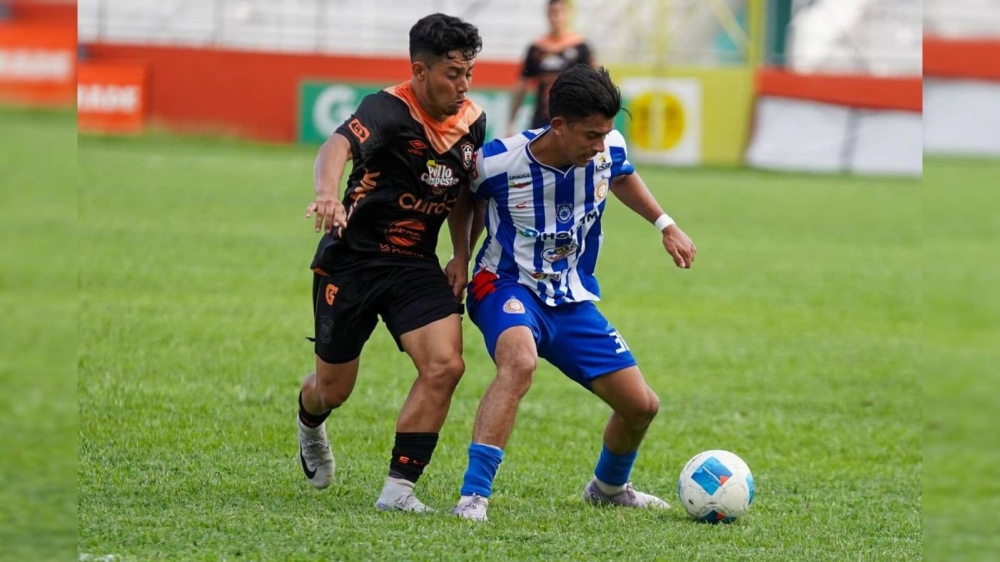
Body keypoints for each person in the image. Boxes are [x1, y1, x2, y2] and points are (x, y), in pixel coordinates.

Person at [452, 64, 697, 521]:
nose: (600, 145)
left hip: (568, 295)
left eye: (606, 133)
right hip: (504, 283)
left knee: (641, 406)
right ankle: (473, 496)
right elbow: (467, 197)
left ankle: (608, 489)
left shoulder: (607, 149)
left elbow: (621, 173)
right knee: (519, 361)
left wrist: (666, 225)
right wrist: (461, 257)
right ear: (558, 126)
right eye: (591, 135)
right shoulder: (499, 160)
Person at [298, 13, 485, 513]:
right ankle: (309, 422)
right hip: (353, 262)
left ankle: (398, 491)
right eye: (453, 74)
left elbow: (466, 193)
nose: (464, 85)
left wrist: (461, 254)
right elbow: (336, 144)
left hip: (414, 266)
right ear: (419, 72)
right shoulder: (385, 109)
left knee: (445, 365)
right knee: (332, 390)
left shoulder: (472, 122)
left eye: (469, 73)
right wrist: (326, 193)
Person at [506, 0, 595, 136]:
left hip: (572, 120)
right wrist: (510, 123)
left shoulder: (580, 47)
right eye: (552, 13)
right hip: (542, 121)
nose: (556, 17)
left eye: (560, 12)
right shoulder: (536, 48)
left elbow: (594, 84)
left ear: (568, 14)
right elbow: (521, 86)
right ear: (547, 15)